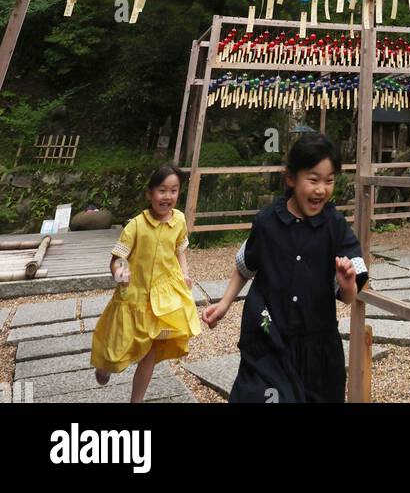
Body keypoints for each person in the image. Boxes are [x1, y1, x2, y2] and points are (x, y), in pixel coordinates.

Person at [203, 132, 368, 403]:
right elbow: (245, 265)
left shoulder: (335, 225)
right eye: (313, 179)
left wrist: (348, 284)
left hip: (318, 347)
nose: (321, 189)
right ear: (291, 178)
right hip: (268, 335)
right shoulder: (267, 222)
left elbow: (350, 294)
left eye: (329, 181)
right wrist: (223, 304)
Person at [90, 164, 201, 402]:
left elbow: (180, 249)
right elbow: (117, 259)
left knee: (150, 353)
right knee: (116, 348)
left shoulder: (179, 220)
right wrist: (120, 274)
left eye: (173, 190)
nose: (168, 196)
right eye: (162, 190)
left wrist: (185, 273)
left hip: (161, 300)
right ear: (149, 194)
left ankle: (136, 400)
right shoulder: (136, 226)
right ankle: (104, 366)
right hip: (132, 297)